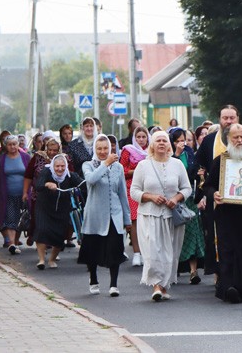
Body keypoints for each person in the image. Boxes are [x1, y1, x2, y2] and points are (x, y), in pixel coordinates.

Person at [203, 124, 242, 303]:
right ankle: (228, 288)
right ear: (228, 140)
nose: (239, 141)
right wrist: (213, 194)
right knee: (228, 251)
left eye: (241, 137)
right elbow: (208, 185)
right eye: (235, 138)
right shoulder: (221, 161)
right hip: (227, 215)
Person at [130, 131, 192, 302]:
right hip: (149, 215)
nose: (162, 143)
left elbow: (187, 188)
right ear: (152, 144)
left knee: (170, 252)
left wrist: (176, 198)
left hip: (172, 216)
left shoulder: (177, 165)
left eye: (165, 140)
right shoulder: (143, 166)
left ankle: (164, 286)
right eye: (158, 140)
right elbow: (134, 191)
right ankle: (156, 285)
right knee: (153, 251)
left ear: (169, 145)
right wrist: (150, 197)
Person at [78, 134, 130, 297]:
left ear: (110, 148)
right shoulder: (88, 165)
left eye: (105, 148)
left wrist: (127, 219)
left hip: (114, 213)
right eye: (99, 148)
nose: (102, 151)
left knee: (115, 248)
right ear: (95, 149)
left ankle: (113, 284)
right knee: (93, 249)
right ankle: (93, 279)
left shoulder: (118, 167)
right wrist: (105, 164)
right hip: (95, 214)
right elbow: (91, 180)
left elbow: (122, 193)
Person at [195, 104, 240, 277]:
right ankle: (220, 274)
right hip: (217, 197)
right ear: (219, 120)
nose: (228, 121)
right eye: (225, 118)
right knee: (217, 236)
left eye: (232, 118)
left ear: (238, 119)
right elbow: (199, 166)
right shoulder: (210, 140)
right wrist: (204, 191)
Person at [33, 154, 84, 269]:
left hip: (62, 209)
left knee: (59, 234)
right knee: (42, 230)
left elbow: (82, 184)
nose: (60, 169)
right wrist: (47, 184)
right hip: (44, 207)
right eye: (57, 166)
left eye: (62, 166)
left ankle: (51, 259)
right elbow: (38, 185)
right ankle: (41, 260)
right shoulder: (47, 171)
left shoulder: (70, 175)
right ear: (53, 166)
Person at [170, 128, 205, 285]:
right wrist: (176, 154)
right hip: (172, 197)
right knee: (175, 234)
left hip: (189, 196)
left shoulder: (190, 152)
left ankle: (193, 271)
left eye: (183, 140)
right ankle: (173, 269)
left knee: (193, 233)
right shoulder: (168, 155)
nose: (181, 143)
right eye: (177, 141)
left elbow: (194, 172)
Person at [0, 135, 31, 254]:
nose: (12, 146)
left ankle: (17, 241)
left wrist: (29, 191)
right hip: (7, 195)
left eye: (14, 144)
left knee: (22, 220)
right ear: (6, 146)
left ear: (18, 145)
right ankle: (12, 243)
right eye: (10, 144)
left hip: (24, 194)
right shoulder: (1, 159)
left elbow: (31, 175)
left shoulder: (26, 157)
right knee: (10, 218)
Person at [22, 138, 62, 246]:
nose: (52, 152)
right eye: (50, 150)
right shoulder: (38, 157)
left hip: (57, 196)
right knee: (38, 220)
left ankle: (48, 242)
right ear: (46, 149)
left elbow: (69, 174)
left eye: (55, 150)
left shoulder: (63, 159)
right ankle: (34, 236)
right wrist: (25, 192)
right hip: (38, 195)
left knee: (53, 221)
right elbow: (28, 175)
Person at [119, 126, 150, 266]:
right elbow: (122, 169)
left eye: (144, 137)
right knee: (135, 222)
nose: (141, 140)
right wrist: (135, 170)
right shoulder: (128, 150)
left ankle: (147, 253)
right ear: (134, 138)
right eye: (139, 137)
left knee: (148, 222)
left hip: (149, 189)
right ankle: (137, 253)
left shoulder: (152, 150)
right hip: (132, 188)